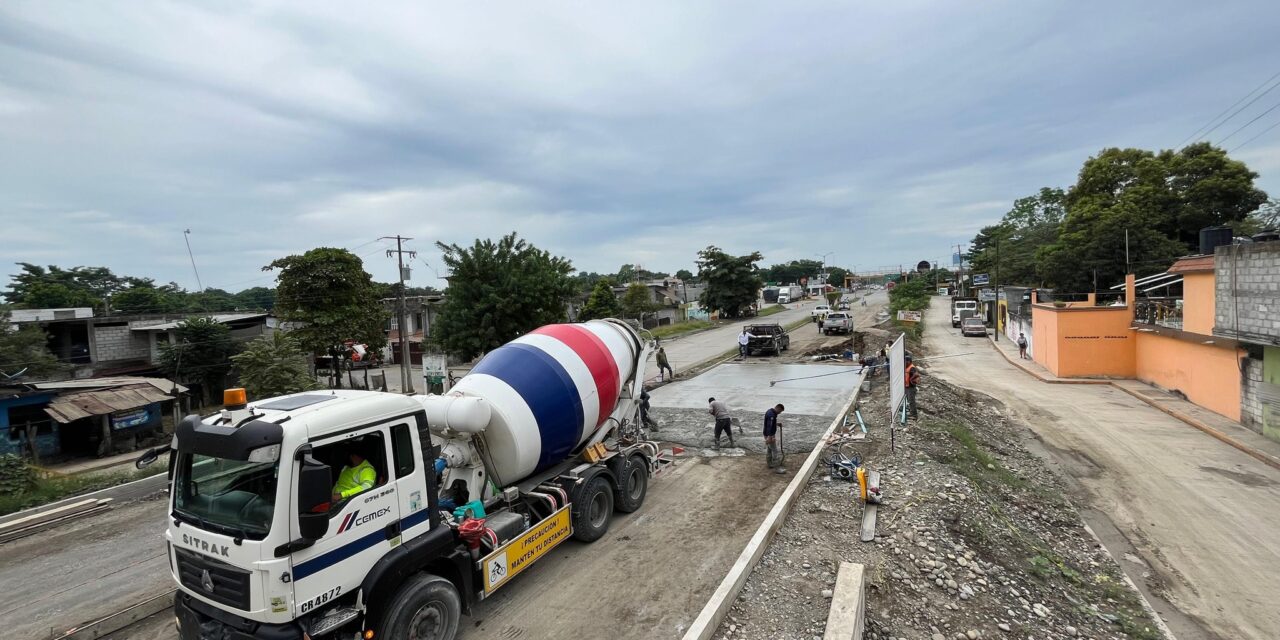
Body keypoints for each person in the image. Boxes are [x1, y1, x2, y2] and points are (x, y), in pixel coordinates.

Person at [764, 404, 786, 473]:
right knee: (775, 451)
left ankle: (770, 464)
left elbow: (770, 423)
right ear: (778, 408)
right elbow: (769, 426)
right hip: (769, 435)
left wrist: (777, 424)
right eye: (780, 411)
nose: (780, 413)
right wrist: (770, 437)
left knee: (769, 449)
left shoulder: (770, 412)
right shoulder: (772, 415)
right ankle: (777, 468)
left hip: (767, 434)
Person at [904, 354, 921, 419]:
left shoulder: (912, 368)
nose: (904, 363)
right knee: (909, 401)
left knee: (911, 401)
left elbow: (916, 376)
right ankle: (911, 412)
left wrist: (911, 381)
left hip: (911, 388)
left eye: (905, 361)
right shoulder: (907, 367)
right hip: (907, 387)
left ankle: (914, 415)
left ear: (909, 361)